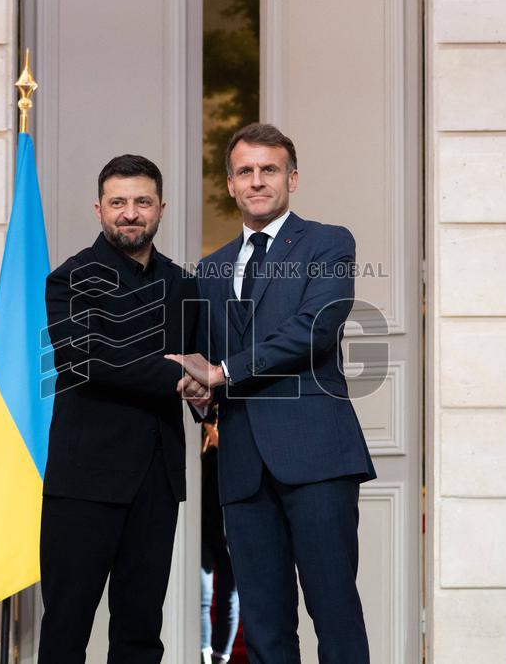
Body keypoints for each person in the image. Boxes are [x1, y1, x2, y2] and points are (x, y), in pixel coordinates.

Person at [166, 123, 375, 663]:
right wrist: (199, 394)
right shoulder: (210, 270)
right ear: (231, 184)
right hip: (241, 468)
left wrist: (223, 372)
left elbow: (314, 330)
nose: (257, 181)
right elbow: (211, 370)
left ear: (292, 178)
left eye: (269, 169)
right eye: (245, 171)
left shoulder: (328, 242)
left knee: (334, 612)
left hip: (317, 458)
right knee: (264, 623)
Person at [39, 154, 208, 664]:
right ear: (99, 209)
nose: (130, 213)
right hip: (85, 481)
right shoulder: (69, 279)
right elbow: (92, 359)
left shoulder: (183, 285)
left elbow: (199, 363)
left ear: (161, 209)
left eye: (142, 202)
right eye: (118, 202)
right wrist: (179, 376)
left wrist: (204, 390)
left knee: (140, 631)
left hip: (156, 480)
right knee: (68, 625)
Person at [199, 413, 240, 664]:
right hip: (201, 526)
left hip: (230, 527)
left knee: (230, 594)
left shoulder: (235, 434)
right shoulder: (200, 437)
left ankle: (221, 657)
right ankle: (204, 656)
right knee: (203, 596)